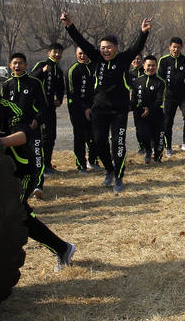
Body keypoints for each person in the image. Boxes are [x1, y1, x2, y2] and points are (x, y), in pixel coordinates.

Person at [0, 64, 75, 271]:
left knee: (12, 213)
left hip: (19, 172)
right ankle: (63, 248)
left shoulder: (10, 109)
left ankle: (60, 249)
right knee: (17, 215)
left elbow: (22, 136)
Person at [61, 11, 152, 194]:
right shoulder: (96, 59)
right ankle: (109, 170)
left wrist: (143, 32)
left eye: (109, 47)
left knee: (118, 143)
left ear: (116, 48)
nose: (105, 50)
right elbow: (81, 42)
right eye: (103, 47)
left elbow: (136, 47)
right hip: (99, 109)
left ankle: (119, 176)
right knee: (99, 141)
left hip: (119, 110)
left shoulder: (123, 59)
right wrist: (69, 25)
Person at [3, 53, 48, 199]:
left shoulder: (35, 83)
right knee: (17, 159)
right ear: (10, 65)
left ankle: (38, 186)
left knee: (36, 156)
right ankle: (20, 186)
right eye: (15, 63)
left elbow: (43, 106)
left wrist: (38, 119)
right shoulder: (6, 85)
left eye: (20, 63)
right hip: (13, 129)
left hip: (31, 127)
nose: (17, 66)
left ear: (26, 65)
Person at [31, 43, 66, 173]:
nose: (57, 55)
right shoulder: (41, 65)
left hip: (51, 108)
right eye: (54, 52)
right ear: (49, 52)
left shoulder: (59, 70)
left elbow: (61, 88)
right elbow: (31, 78)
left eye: (59, 52)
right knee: (39, 136)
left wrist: (60, 99)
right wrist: (42, 71)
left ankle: (47, 164)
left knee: (51, 136)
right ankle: (38, 165)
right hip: (38, 108)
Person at [157, 37, 185, 154]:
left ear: (181, 48)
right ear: (170, 47)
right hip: (169, 96)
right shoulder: (163, 61)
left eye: (178, 47)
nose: (176, 49)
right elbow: (160, 78)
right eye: (174, 47)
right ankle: (168, 147)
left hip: (184, 96)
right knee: (167, 122)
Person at [66, 47, 97, 171]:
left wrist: (92, 107)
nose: (83, 56)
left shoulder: (94, 67)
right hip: (77, 109)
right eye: (80, 53)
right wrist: (84, 108)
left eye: (85, 53)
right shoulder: (72, 70)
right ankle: (81, 165)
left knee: (95, 135)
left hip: (94, 108)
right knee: (80, 137)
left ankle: (93, 161)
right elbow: (72, 93)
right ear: (76, 54)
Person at [132, 55, 167, 164]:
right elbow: (134, 99)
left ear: (156, 67)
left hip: (156, 113)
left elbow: (159, 100)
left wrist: (149, 109)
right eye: (148, 65)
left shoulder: (160, 82)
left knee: (158, 137)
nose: (150, 68)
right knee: (143, 134)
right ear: (143, 66)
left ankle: (157, 156)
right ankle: (148, 150)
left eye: (153, 66)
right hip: (141, 114)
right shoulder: (137, 81)